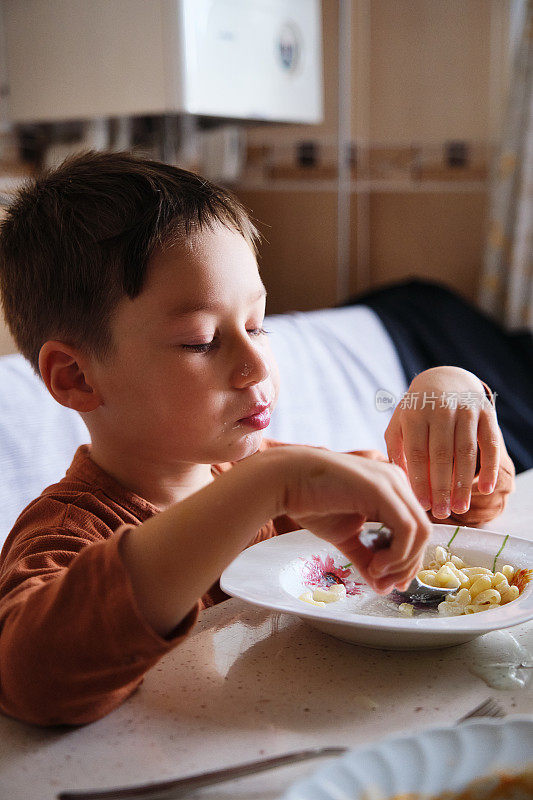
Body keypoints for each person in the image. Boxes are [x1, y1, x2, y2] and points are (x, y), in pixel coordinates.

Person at [0, 152, 514, 727]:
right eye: (200, 341)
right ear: (76, 377)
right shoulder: (68, 532)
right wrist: (264, 488)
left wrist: (449, 394)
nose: (256, 365)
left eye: (257, 325)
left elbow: (455, 511)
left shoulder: (287, 490)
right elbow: (33, 679)